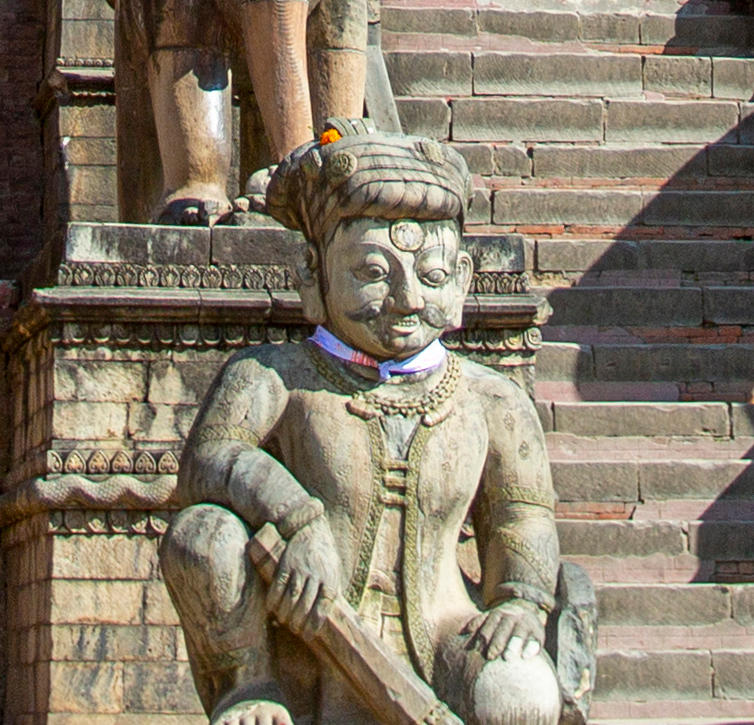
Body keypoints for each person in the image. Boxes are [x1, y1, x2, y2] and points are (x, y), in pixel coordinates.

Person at [162, 137, 593, 725]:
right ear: (313, 274)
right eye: (371, 272)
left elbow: (523, 516)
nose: (407, 298)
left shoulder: (491, 399)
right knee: (202, 533)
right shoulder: (275, 376)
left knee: (520, 695)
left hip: (443, 632)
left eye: (433, 273)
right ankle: (248, 687)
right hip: (305, 631)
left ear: (462, 279)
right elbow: (208, 461)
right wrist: (296, 516)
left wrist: (520, 600)